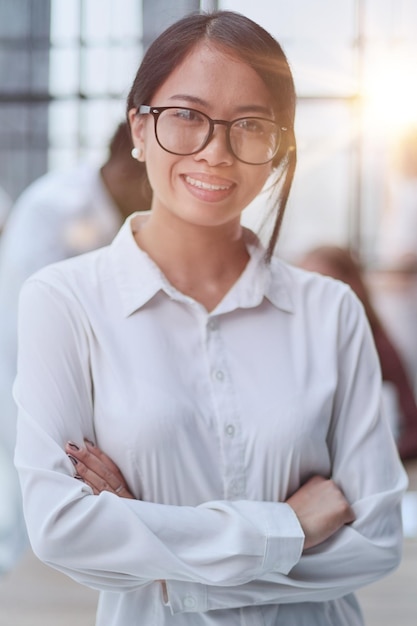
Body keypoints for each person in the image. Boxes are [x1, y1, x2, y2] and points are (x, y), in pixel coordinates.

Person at [14, 11, 407, 626]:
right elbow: (61, 528)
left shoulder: (330, 311)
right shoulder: (64, 301)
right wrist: (289, 528)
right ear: (139, 129)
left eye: (249, 125)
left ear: (277, 148)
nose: (216, 152)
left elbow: (376, 540)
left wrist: (159, 557)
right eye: (187, 117)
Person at [0, 122, 151, 575]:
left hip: (78, 390)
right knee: (27, 515)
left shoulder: (117, 213)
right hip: (25, 379)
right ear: (127, 169)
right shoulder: (53, 210)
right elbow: (39, 330)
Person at [299, 244, 417, 460]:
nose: (314, 300)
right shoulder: (299, 346)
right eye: (306, 289)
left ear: (351, 288)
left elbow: (412, 427)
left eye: (324, 286)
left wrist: (375, 460)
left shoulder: (377, 346)